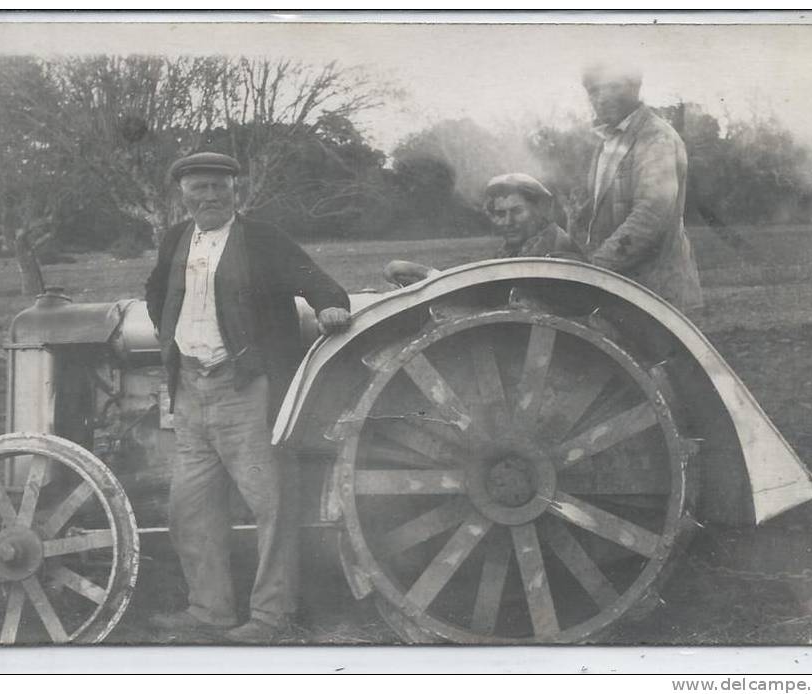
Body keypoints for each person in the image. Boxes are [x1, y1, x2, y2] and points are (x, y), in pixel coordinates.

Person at [144, 152, 352, 643]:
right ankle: (209, 609)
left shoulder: (261, 238)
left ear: (236, 190)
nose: (210, 196)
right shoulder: (176, 239)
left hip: (247, 389)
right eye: (200, 188)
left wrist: (332, 306)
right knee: (189, 507)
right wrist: (169, 334)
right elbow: (156, 291)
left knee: (271, 504)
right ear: (184, 194)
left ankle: (271, 616)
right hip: (191, 392)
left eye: (219, 187)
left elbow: (317, 280)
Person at [578, 62, 703, 311]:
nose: (602, 98)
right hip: (624, 292)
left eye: (613, 86)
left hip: (658, 296)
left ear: (636, 87)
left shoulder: (656, 137)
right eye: (594, 90)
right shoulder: (606, 141)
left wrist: (595, 269)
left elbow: (651, 215)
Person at [384, 172, 583, 287]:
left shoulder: (554, 252)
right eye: (500, 213)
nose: (507, 222)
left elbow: (488, 295)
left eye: (517, 211)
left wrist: (423, 272)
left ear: (540, 210)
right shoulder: (523, 246)